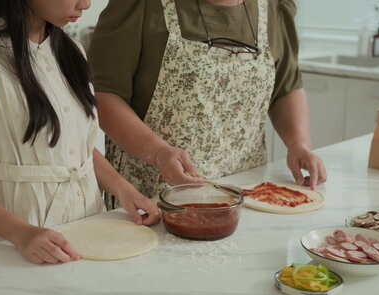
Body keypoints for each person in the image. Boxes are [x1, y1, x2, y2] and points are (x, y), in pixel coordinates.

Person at [0, 0, 159, 265]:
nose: (85, 4)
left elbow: (72, 148)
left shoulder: (70, 50)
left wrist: (124, 190)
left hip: (89, 221)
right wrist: (22, 234)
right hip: (18, 234)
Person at [89, 0, 327, 208]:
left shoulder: (274, 7)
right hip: (151, 196)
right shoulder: (141, 4)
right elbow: (104, 96)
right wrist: (158, 152)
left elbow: (285, 87)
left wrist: (298, 144)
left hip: (248, 193)